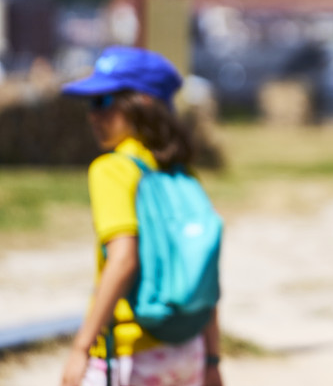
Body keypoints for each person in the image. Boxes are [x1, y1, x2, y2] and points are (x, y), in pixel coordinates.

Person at [60, 46, 223, 386]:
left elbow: (123, 261)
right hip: (186, 351)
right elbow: (201, 271)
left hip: (129, 353)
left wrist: (80, 349)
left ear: (142, 105)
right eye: (91, 104)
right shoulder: (181, 173)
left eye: (104, 102)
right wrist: (211, 359)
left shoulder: (113, 170)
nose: (93, 114)